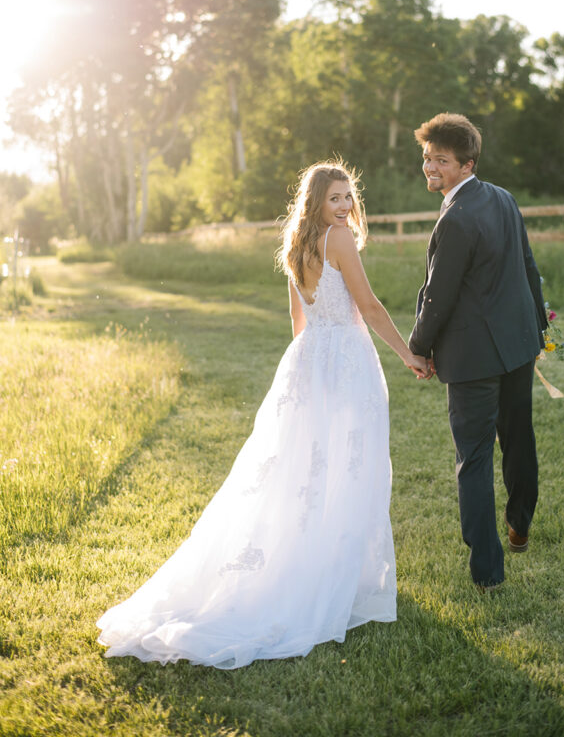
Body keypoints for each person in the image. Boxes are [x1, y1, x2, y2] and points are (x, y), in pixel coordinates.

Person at [97, 160, 428, 669]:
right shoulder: (338, 240)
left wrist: (307, 377)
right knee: (347, 466)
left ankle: (314, 563)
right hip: (343, 363)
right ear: (316, 200)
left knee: (303, 469)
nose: (344, 206)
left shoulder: (296, 246)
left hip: (308, 362)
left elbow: (300, 323)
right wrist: (407, 354)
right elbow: (370, 307)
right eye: (335, 198)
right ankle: (334, 577)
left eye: (348, 198)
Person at [408, 113, 548, 593]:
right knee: (518, 439)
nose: (430, 168)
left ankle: (488, 572)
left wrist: (418, 348)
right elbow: (529, 268)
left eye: (441, 161)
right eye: (427, 158)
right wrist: (538, 328)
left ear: (466, 164)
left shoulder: (456, 218)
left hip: (473, 359)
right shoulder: (503, 199)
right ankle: (520, 525)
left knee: (474, 458)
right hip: (516, 347)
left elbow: (437, 296)